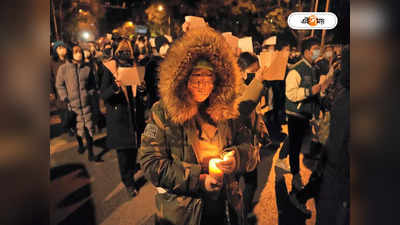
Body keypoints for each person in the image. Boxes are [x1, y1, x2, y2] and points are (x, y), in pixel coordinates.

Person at [138, 27, 259, 225]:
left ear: (218, 79)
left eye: (208, 77)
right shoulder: (164, 112)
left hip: (226, 209)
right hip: (183, 213)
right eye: (196, 77)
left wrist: (237, 158)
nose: (202, 84)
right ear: (183, 78)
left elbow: (252, 150)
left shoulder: (227, 110)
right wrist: (198, 179)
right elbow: (151, 163)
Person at [289, 46, 349, 224]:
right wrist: (316, 94)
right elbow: (294, 94)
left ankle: (301, 195)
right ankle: (300, 194)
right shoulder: (343, 88)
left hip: (334, 153)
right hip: (337, 160)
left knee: (321, 176)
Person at [284, 38, 332, 190]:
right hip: (295, 113)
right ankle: (295, 177)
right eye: (315, 49)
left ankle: (283, 159)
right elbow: (290, 93)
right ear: (306, 52)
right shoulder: (296, 70)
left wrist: (320, 101)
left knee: (297, 142)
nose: (318, 52)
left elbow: (315, 92)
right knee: (295, 146)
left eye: (319, 49)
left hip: (306, 113)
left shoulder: (313, 68)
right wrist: (309, 91)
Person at [99, 39, 145, 197]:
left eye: (128, 50)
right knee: (123, 155)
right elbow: (104, 94)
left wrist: (141, 89)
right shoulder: (109, 68)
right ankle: (128, 182)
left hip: (134, 118)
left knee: (133, 151)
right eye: (123, 50)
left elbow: (141, 95)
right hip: (119, 119)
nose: (126, 53)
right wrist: (115, 88)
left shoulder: (135, 66)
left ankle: (131, 171)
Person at [56, 43, 96, 161]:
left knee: (89, 128)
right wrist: (64, 96)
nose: (79, 54)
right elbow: (59, 84)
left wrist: (90, 93)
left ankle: (91, 153)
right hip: (73, 105)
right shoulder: (63, 69)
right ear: (71, 54)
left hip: (86, 104)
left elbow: (93, 84)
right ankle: (80, 144)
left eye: (80, 51)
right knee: (77, 128)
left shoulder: (87, 68)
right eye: (76, 52)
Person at [144, 35, 170, 108]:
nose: (165, 48)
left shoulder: (171, 61)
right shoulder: (152, 63)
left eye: (166, 45)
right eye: (163, 46)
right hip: (156, 99)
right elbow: (148, 82)